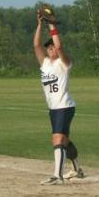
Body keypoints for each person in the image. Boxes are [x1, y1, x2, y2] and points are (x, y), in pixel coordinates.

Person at [34, 10, 84, 185]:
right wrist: (40, 24)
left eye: (52, 47)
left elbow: (60, 47)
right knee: (64, 140)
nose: (51, 49)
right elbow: (36, 45)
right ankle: (77, 169)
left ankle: (58, 176)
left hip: (64, 106)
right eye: (49, 48)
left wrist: (52, 26)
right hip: (53, 109)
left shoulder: (64, 63)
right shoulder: (46, 64)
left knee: (57, 139)